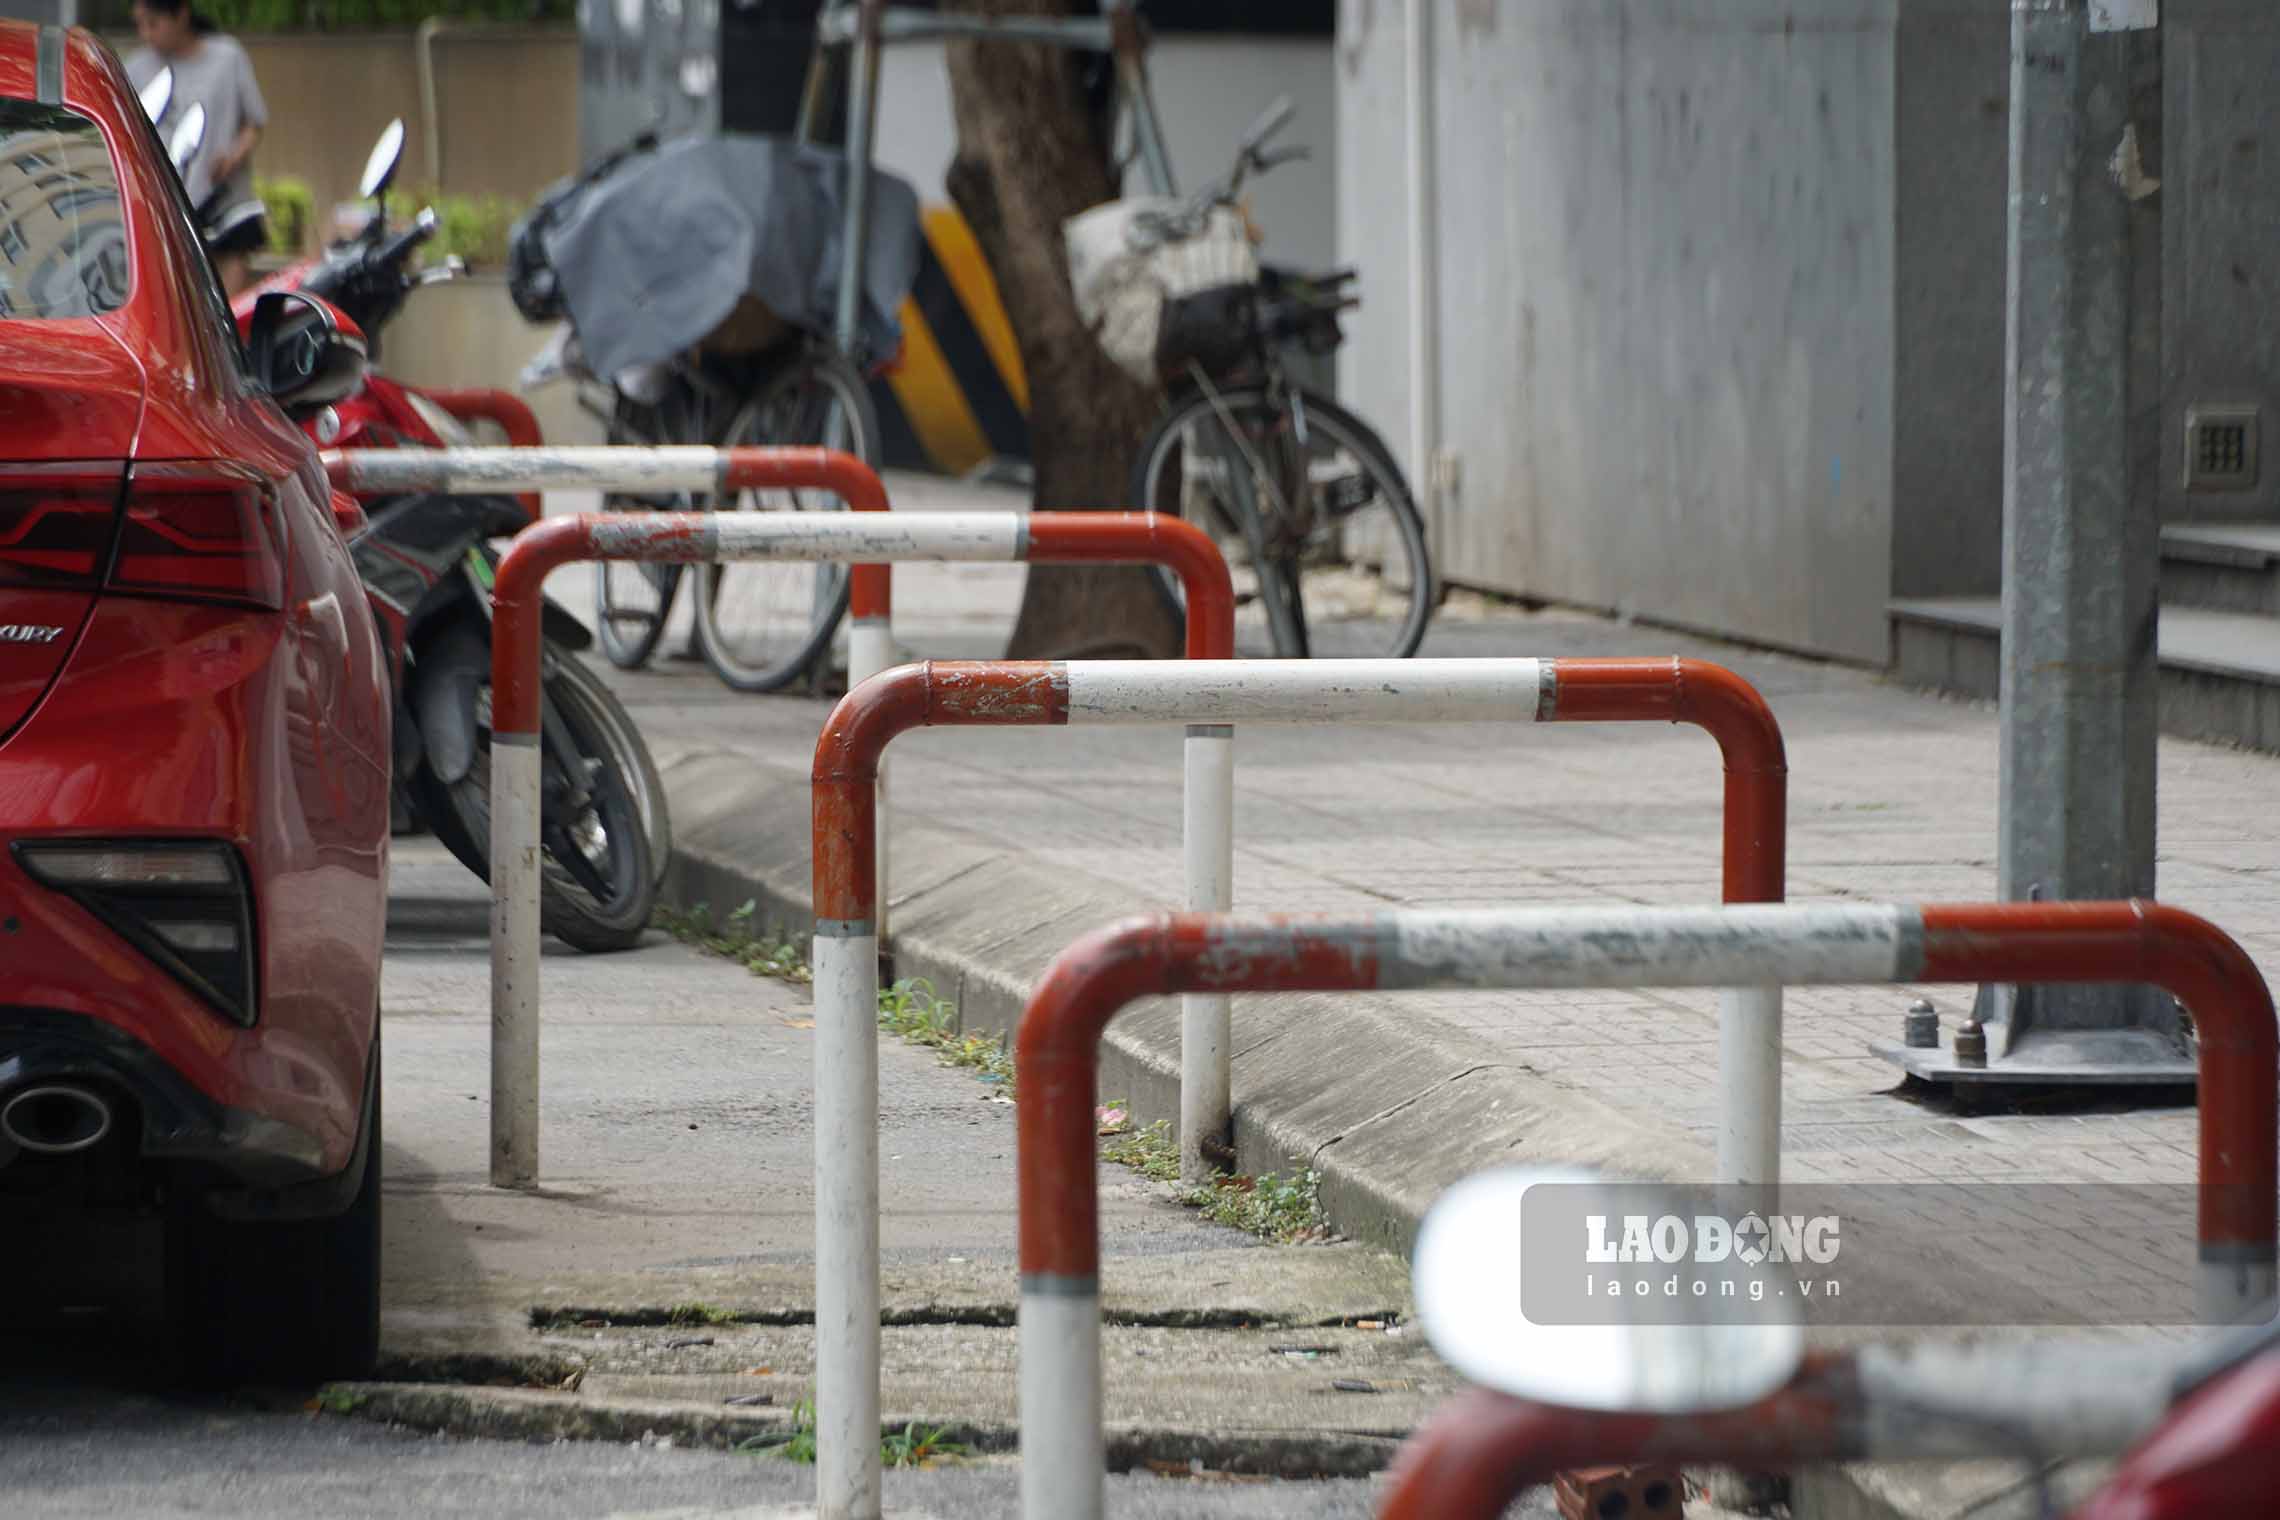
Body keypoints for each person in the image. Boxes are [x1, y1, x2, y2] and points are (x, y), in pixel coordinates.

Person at [125, 0, 268, 296]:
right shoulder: (137, 69)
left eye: (153, 23)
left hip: (223, 200)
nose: (146, 34)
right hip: (166, 203)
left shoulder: (227, 58)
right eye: (140, 24)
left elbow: (254, 123)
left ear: (181, 15)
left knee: (229, 297)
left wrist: (233, 157)